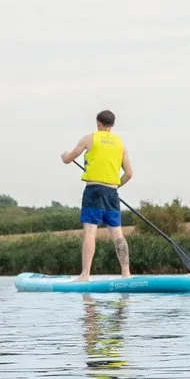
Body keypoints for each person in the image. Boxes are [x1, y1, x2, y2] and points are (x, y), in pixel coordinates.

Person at [60, 108, 134, 280]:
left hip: (93, 191)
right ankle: (126, 273)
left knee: (90, 232)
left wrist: (64, 156)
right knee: (118, 234)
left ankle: (85, 274)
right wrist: (115, 186)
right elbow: (129, 173)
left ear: (98, 123)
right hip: (112, 192)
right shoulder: (121, 144)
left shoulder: (90, 138)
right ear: (112, 125)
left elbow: (69, 158)